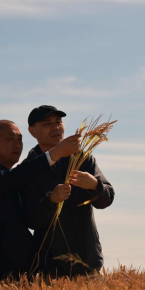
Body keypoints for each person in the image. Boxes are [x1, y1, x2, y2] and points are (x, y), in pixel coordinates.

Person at [0, 119, 80, 286]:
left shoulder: (16, 178)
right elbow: (13, 178)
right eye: (10, 139)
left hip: (25, 278)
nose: (17, 144)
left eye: (20, 139)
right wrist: (55, 153)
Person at [22, 105, 114, 278]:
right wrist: (51, 201)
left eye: (58, 122)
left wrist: (95, 185)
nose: (56, 127)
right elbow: (30, 219)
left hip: (88, 265)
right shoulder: (28, 169)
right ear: (32, 131)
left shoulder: (82, 159)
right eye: (47, 123)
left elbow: (107, 199)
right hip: (49, 269)